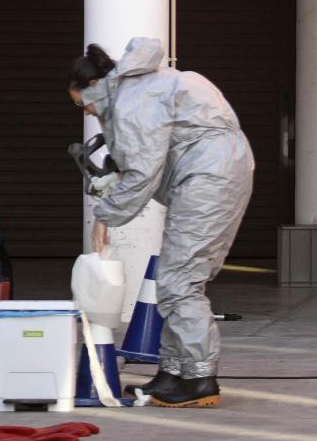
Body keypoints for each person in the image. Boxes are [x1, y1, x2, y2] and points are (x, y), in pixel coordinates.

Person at [69, 37, 254, 407]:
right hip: (213, 172)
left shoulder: (132, 100)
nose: (88, 113)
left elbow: (142, 171)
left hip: (208, 178)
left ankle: (199, 378)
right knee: (175, 277)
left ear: (95, 86)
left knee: (179, 281)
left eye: (84, 106)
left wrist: (106, 216)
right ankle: (174, 372)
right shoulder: (147, 84)